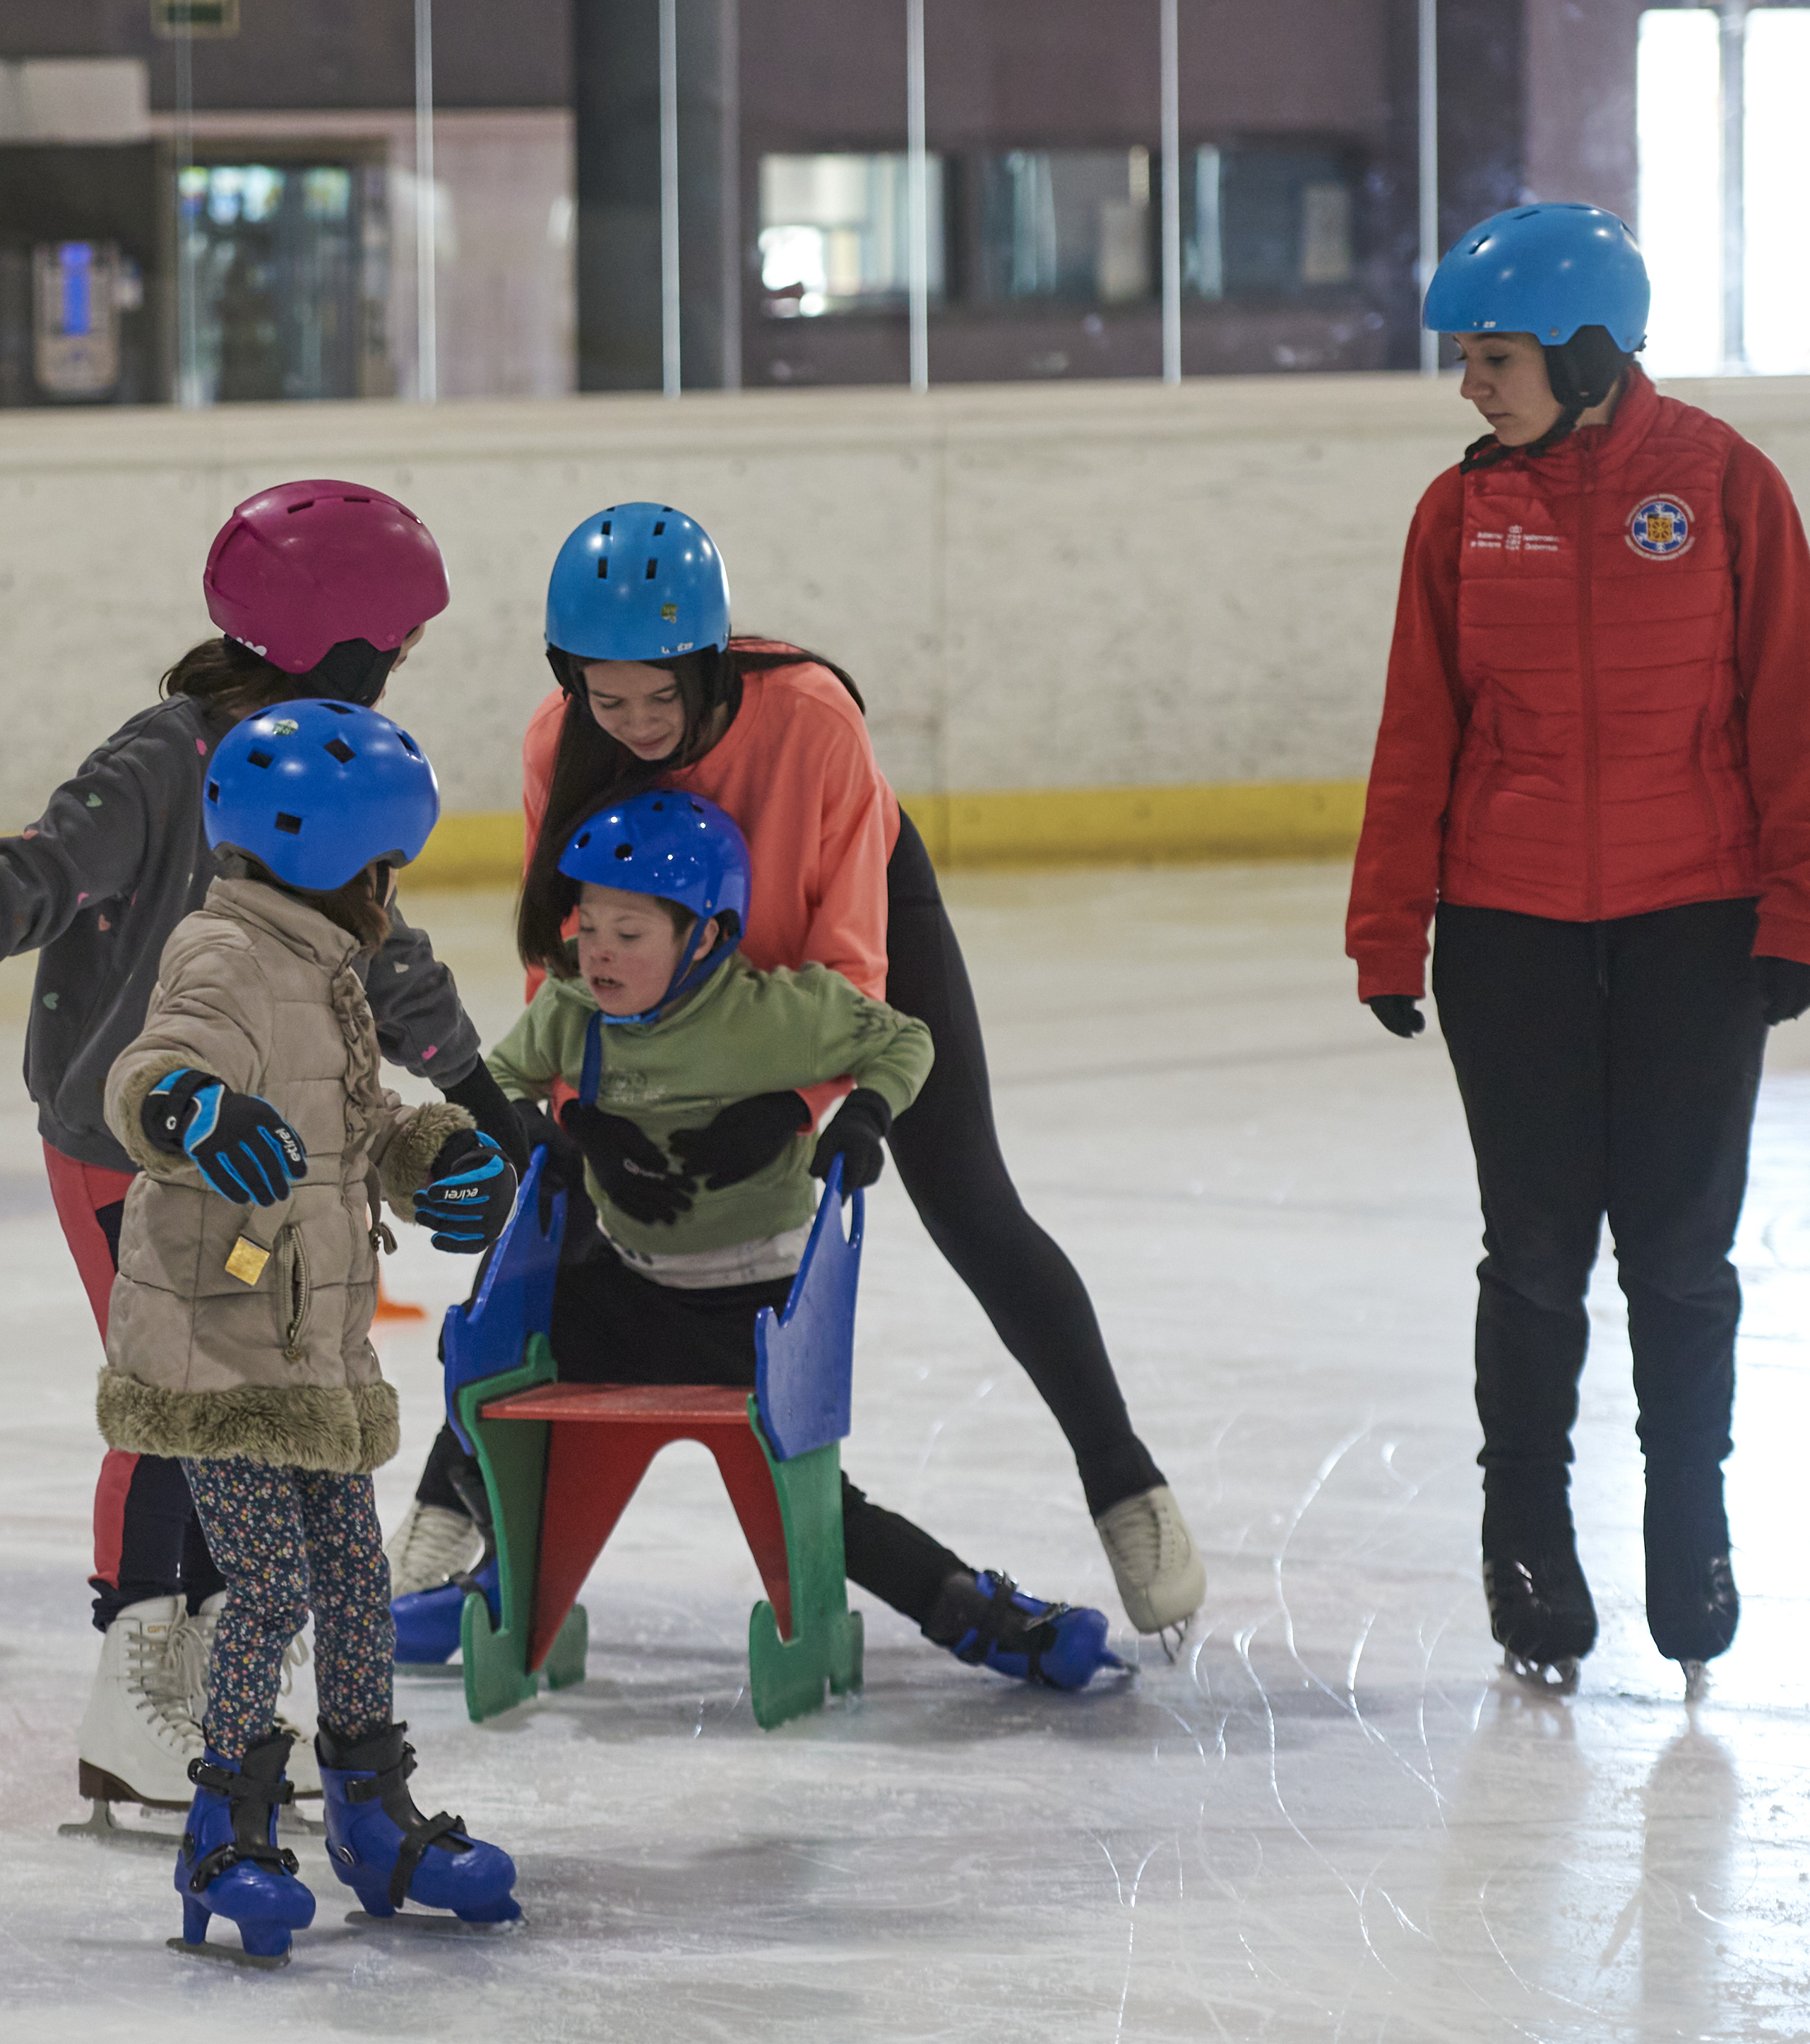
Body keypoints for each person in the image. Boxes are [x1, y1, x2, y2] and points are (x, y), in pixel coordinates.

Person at [0, 482, 525, 1813]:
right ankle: (131, 1688)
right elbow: (26, 878)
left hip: (273, 1159)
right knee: (172, 1394)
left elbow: (382, 953)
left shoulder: (324, 767)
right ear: (347, 639)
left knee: (234, 1408)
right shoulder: (164, 762)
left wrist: (473, 1079)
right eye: (400, 641)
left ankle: (202, 1687)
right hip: (124, 1143)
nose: (406, 666)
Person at [387, 503, 1208, 1648]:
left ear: (707, 667)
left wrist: (789, 1107)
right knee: (558, 1201)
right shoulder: (556, 743)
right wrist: (582, 1112)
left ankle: (1125, 1484)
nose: (632, 727)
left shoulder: (811, 721)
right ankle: (452, 1494)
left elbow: (849, 962)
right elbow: (564, 956)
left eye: (656, 697)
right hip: (655, 952)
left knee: (967, 1199)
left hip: (822, 928)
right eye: (601, 698)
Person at [1350, 201, 1810, 1702]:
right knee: (1535, 1257)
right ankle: (1524, 1540)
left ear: (1581, 351)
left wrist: (1801, 907)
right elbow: (1413, 734)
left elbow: (1791, 709)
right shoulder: (1456, 516)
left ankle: (1687, 1530)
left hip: (1693, 930)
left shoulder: (1721, 486)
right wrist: (1389, 924)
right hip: (1507, 937)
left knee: (1681, 1260)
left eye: (1491, 357)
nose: (1467, 387)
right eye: (1461, 358)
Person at [463, 789, 1117, 1687]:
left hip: (755, 1310)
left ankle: (971, 1611)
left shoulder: (779, 1016)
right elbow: (491, 1085)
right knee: (490, 1372)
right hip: (628, 1292)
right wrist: (551, 1123)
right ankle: (502, 1569)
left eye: (630, 933)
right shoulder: (571, 1015)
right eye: (589, 928)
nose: (598, 953)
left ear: (704, 938)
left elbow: (909, 1041)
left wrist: (865, 1118)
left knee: (817, 1507)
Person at [97, 701, 525, 1962]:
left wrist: (426, 1152)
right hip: (218, 1348)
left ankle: (371, 1813)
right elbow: (153, 1067)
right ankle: (222, 1826)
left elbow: (344, 1116)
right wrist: (183, 1110)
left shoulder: (314, 965)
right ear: (352, 866)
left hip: (309, 1343)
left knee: (351, 1581)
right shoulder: (225, 955)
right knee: (274, 1582)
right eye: (390, 869)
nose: (394, 894)